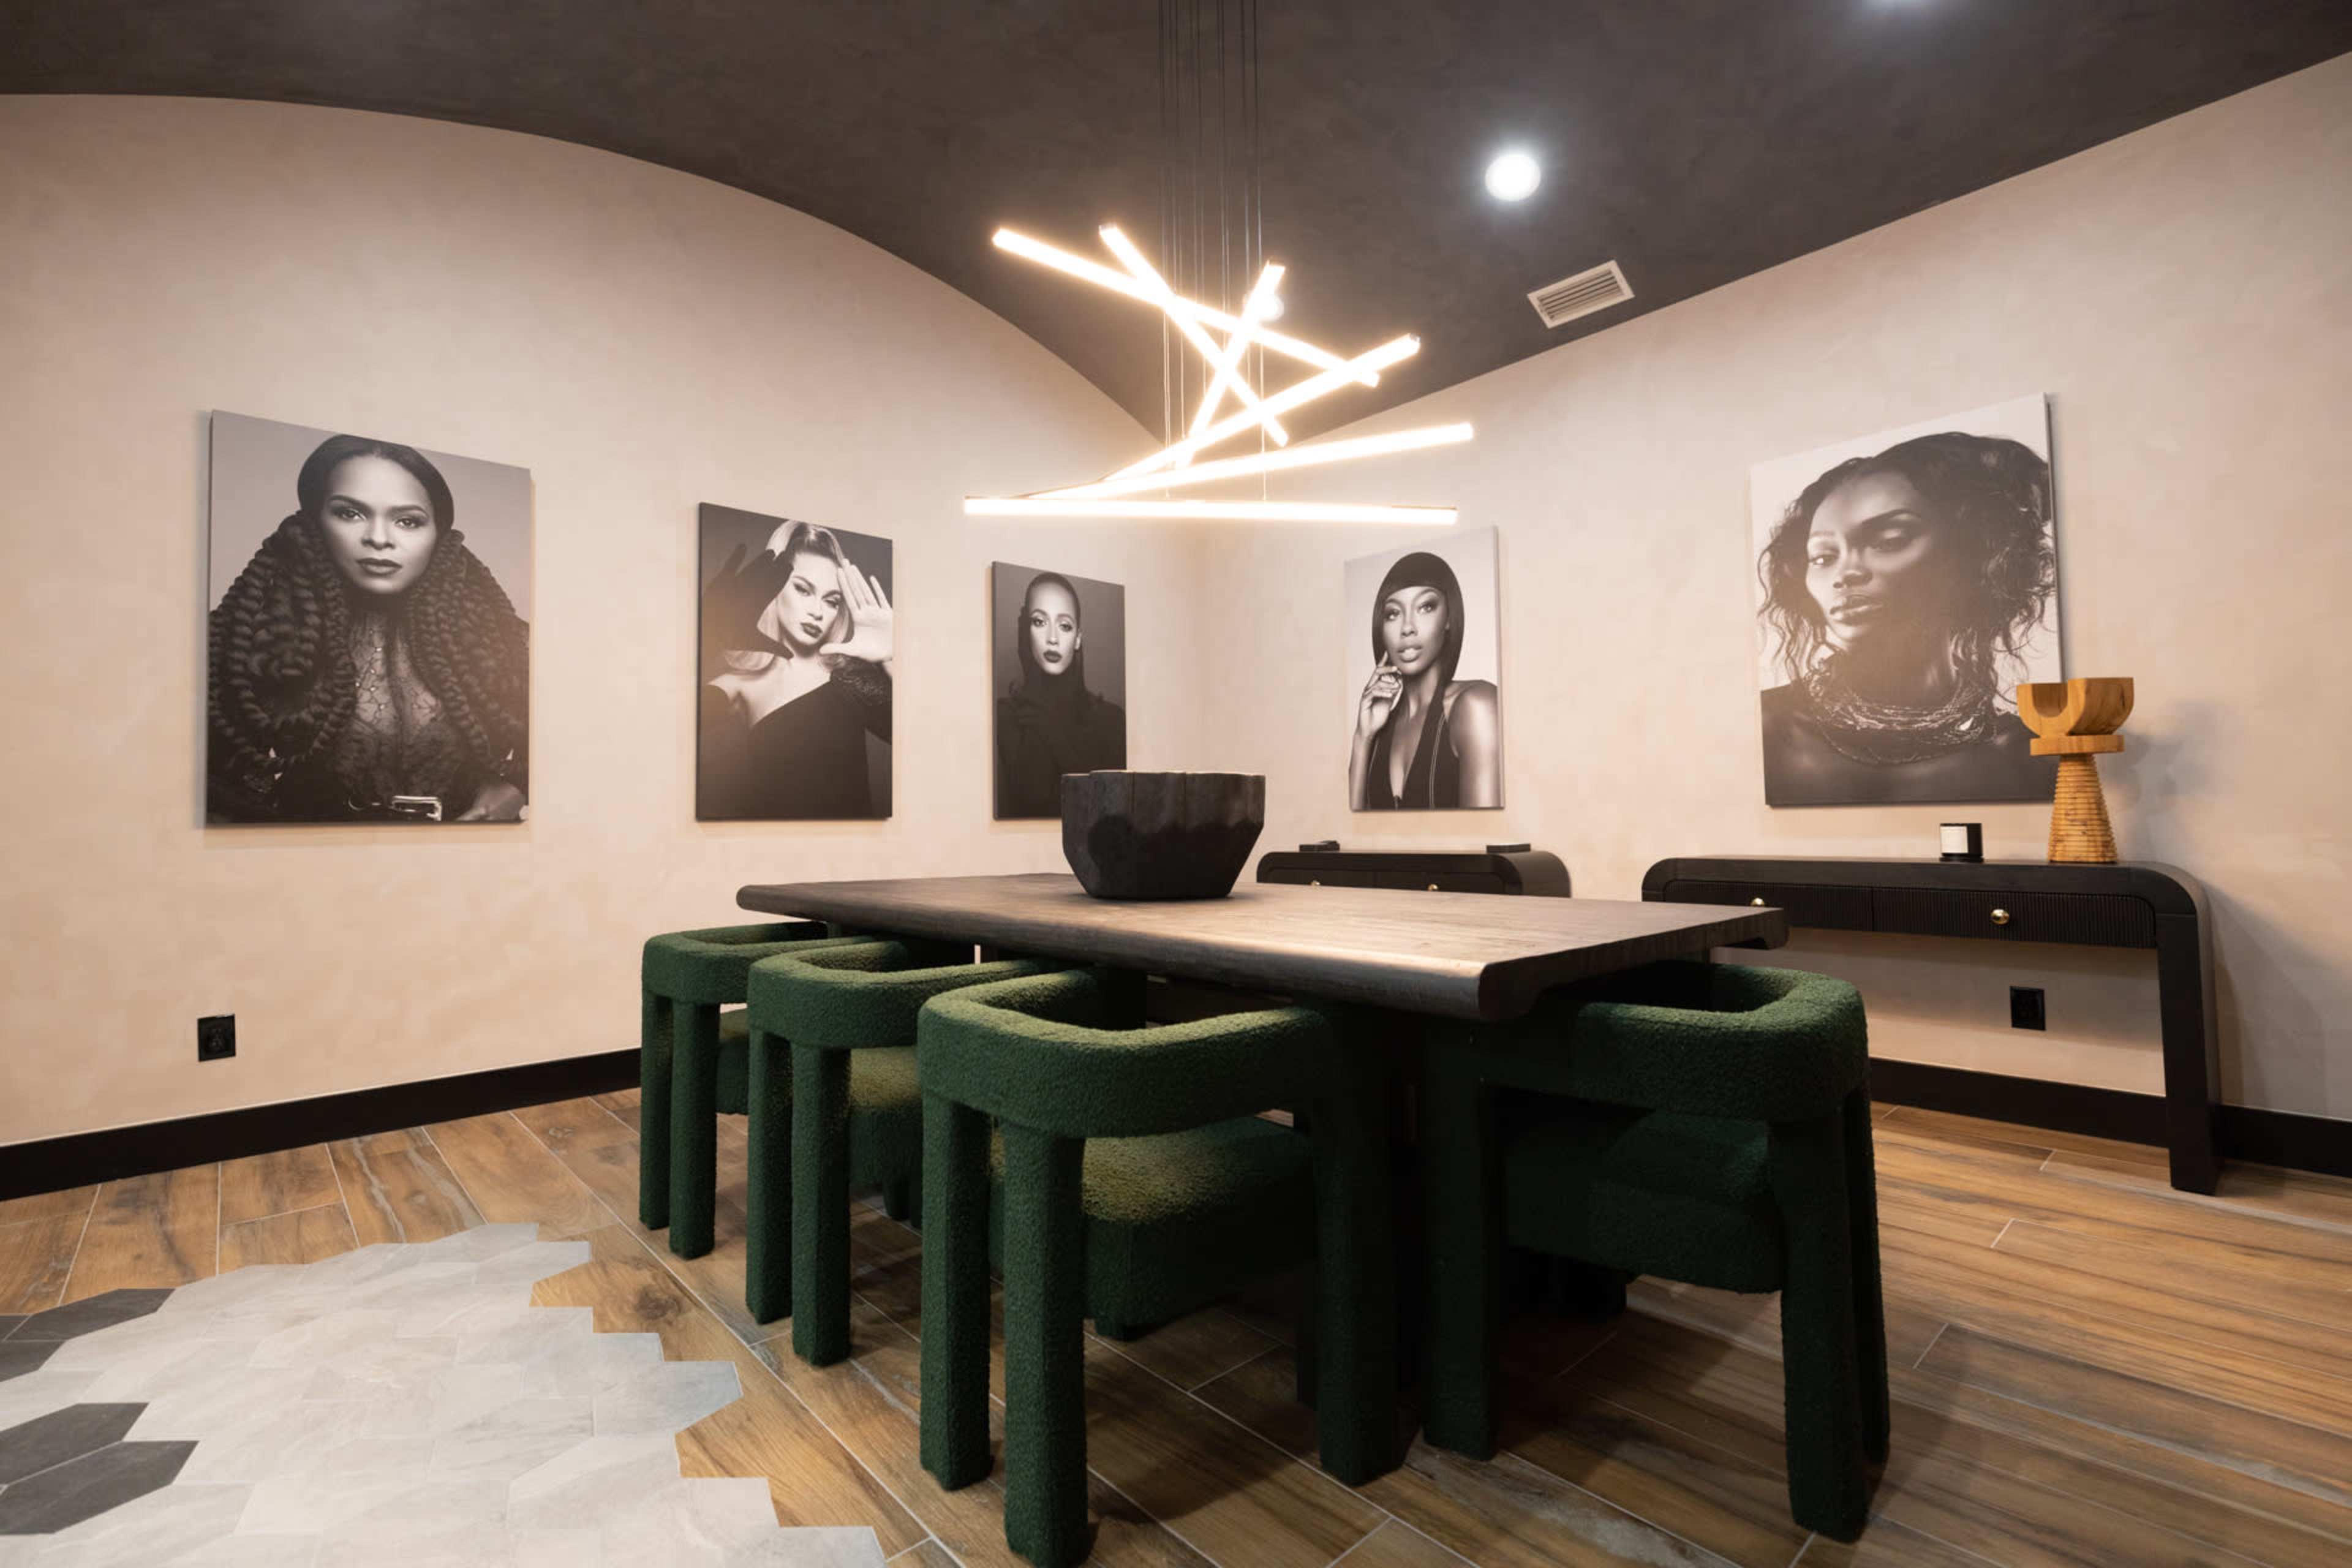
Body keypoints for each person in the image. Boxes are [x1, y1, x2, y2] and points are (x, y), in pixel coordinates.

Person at [206, 434, 529, 823]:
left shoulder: (503, 641)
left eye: (408, 521)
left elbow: (589, 743)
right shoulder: (246, 641)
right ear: (314, 524)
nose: (378, 538)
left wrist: (516, 787)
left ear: (437, 535)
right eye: (350, 513)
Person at [1755, 431, 2057, 806]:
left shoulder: (2029, 754)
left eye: (1889, 540)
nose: (1844, 574)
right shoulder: (1766, 726)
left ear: (1970, 556)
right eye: (1822, 557)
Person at [698, 520, 893, 820]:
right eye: (803, 590)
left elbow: (922, 740)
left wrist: (890, 659)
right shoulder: (738, 685)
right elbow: (664, 736)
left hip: (860, 853)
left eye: (831, 601)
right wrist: (707, 633)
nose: (817, 611)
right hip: (772, 854)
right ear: (773, 588)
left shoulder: (847, 674)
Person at [1349, 550, 1500, 810]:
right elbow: (1351, 834)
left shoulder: (1477, 706)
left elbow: (1486, 838)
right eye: (1393, 614)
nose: (1407, 628)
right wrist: (1363, 738)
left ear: (1449, 619)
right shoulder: (1378, 729)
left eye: (1425, 607)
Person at [994, 571, 1125, 818]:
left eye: (1064, 626)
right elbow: (1035, 795)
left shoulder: (1112, 720)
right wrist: (1032, 678)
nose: (1052, 639)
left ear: (1077, 639)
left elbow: (1104, 804)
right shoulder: (1005, 717)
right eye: (1039, 622)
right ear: (1025, 631)